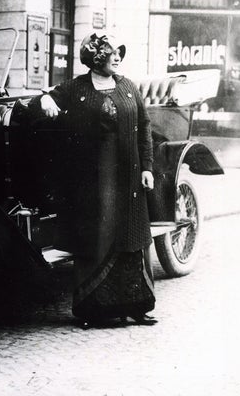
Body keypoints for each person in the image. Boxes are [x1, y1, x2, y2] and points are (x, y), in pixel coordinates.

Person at [19, 32, 157, 328]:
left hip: (129, 175)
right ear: (96, 58)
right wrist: (44, 98)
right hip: (93, 180)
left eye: (119, 52)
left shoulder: (129, 87)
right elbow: (39, 102)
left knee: (131, 237)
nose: (118, 57)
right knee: (98, 237)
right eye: (111, 53)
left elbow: (144, 126)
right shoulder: (76, 88)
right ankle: (92, 310)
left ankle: (137, 306)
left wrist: (147, 167)